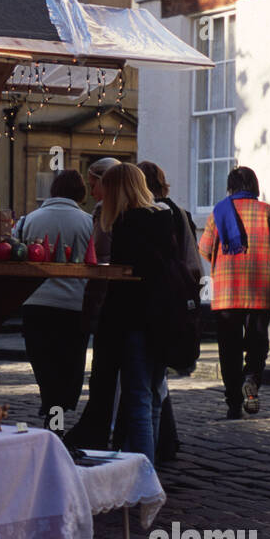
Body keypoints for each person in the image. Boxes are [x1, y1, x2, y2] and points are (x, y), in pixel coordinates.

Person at [198, 166, 270, 419]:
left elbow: (205, 248)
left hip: (227, 293)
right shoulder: (269, 213)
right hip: (260, 290)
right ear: (255, 186)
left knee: (228, 349)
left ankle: (232, 402)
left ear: (230, 187)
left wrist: (222, 260)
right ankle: (251, 378)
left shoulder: (218, 213)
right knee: (258, 343)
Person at [96, 163, 176, 461]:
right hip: (163, 316)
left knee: (138, 398)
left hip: (135, 318)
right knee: (153, 396)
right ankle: (148, 466)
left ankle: (142, 470)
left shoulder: (127, 222)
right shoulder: (165, 216)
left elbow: (124, 275)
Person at [13, 170, 94, 428]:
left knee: (44, 365)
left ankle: (52, 410)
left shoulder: (27, 221)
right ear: (80, 193)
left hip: (36, 303)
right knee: (69, 366)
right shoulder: (89, 222)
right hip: (73, 305)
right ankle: (57, 414)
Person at [138, 161, 202, 461]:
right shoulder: (179, 212)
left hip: (153, 301)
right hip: (174, 299)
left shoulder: (144, 215)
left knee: (147, 382)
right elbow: (193, 261)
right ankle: (165, 441)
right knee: (157, 378)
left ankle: (154, 446)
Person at [66, 157, 121, 449]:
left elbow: (99, 251)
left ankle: (100, 427)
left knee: (106, 368)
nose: (91, 191)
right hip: (112, 298)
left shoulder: (106, 211)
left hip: (106, 298)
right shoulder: (118, 208)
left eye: (93, 184)